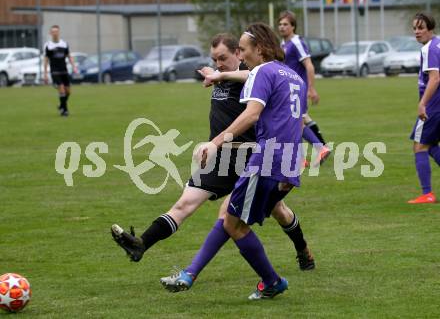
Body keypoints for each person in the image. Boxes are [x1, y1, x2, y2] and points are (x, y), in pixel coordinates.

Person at [110, 34, 314, 278]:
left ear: (239, 54)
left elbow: (254, 77)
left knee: (278, 211)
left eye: (223, 58)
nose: (218, 63)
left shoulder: (251, 74)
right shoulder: (221, 76)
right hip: (219, 157)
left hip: (250, 157)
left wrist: (223, 74)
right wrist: (216, 75)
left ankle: (302, 250)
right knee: (184, 204)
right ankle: (140, 244)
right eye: (215, 59)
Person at [191, 22, 307, 299]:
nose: (240, 55)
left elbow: (252, 114)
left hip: (267, 159)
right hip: (288, 161)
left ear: (260, 48)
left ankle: (271, 281)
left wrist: (215, 141)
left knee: (232, 222)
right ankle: (191, 272)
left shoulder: (263, 72)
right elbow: (300, 123)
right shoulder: (294, 76)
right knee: (235, 216)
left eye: (243, 50)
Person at [278, 11, 331, 167]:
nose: (282, 27)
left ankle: (320, 148)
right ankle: (301, 159)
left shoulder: (296, 42)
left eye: (285, 24)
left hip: (297, 89)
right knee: (296, 122)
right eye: (280, 24)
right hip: (288, 90)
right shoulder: (283, 44)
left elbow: (309, 65)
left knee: (296, 122)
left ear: (293, 26)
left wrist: (311, 88)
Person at [408, 13, 440, 204]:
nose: (417, 32)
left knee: (419, 145)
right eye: (414, 28)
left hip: (433, 107)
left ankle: (427, 194)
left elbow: (435, 77)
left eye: (420, 28)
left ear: (430, 28)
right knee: (430, 145)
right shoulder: (438, 43)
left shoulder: (429, 48)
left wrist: (423, 103)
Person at [43, 25, 77, 117]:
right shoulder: (48, 45)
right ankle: (64, 111)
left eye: (56, 31)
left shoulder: (64, 43)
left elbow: (69, 56)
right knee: (61, 89)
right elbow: (46, 60)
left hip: (64, 71)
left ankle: (61, 105)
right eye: (53, 31)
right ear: (50, 33)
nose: (55, 33)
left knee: (68, 92)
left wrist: (74, 67)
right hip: (55, 71)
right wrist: (45, 74)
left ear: (59, 32)